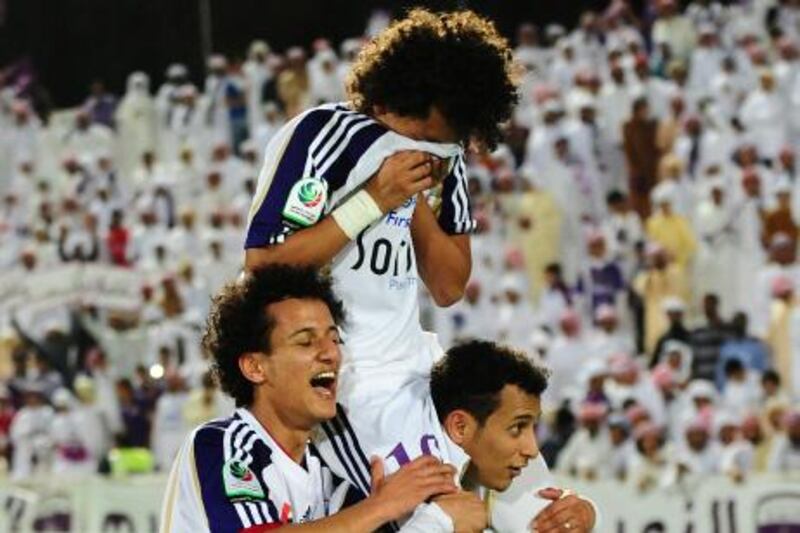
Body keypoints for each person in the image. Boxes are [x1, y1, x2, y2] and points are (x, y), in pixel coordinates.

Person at [242, 8, 593, 529]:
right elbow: (263, 267)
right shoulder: (322, 135)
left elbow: (450, 285)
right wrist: (373, 199)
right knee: (440, 521)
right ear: (417, 100)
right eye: (444, 128)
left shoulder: (444, 156)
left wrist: (415, 206)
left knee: (547, 518)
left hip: (418, 370)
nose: (452, 143)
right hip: (345, 382)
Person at [161, 265, 467, 532]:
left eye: (334, 339)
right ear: (255, 367)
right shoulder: (223, 446)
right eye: (306, 341)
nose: (330, 353)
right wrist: (383, 507)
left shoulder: (331, 474)